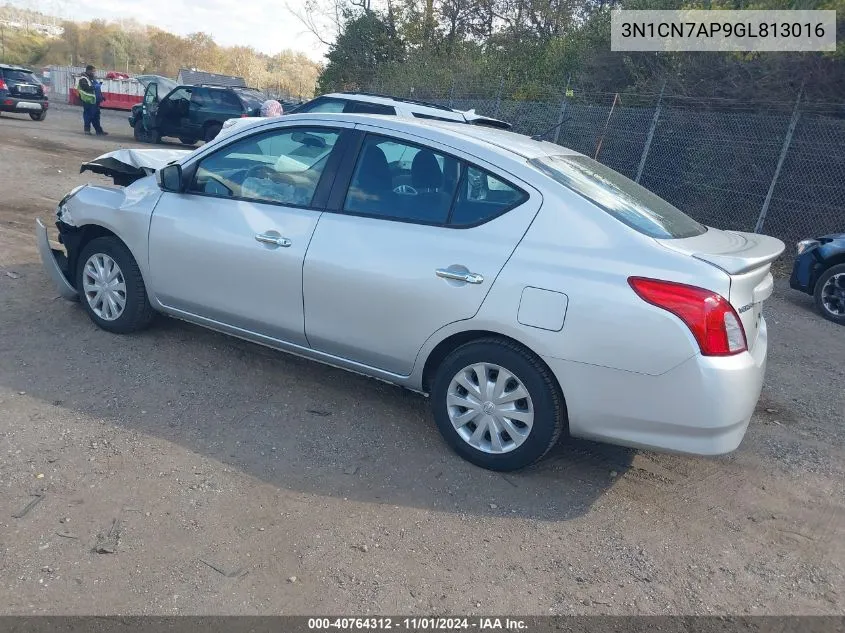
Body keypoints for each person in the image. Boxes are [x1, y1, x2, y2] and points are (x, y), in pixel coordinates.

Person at [77, 65, 107, 136]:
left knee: (96, 116)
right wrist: (94, 87)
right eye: (93, 71)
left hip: (95, 101)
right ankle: (87, 130)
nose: (94, 72)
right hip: (88, 101)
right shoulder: (83, 79)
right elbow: (85, 88)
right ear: (88, 71)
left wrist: (101, 97)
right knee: (88, 116)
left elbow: (97, 89)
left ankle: (99, 131)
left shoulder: (92, 78)